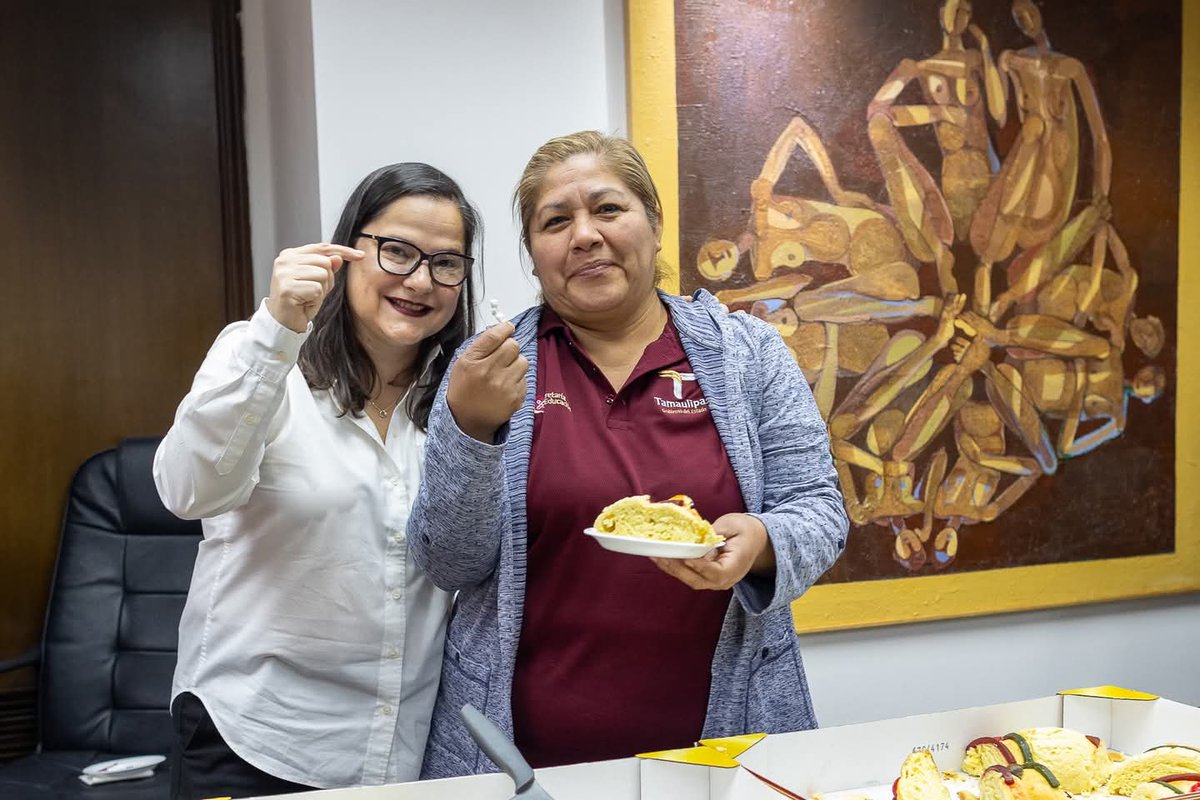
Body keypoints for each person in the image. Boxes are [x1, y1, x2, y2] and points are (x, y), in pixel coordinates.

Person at [408, 131, 849, 778]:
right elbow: (449, 562)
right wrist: (471, 428)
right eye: (555, 221)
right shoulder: (492, 370)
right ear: (533, 254)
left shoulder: (748, 355)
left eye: (608, 209)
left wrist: (760, 542)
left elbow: (819, 511)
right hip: (518, 768)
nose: (585, 235)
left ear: (656, 223)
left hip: (723, 753)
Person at [154, 163, 482, 798]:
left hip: (400, 752)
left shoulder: (463, 399)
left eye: (446, 263)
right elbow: (187, 491)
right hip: (255, 735)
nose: (421, 280)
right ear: (346, 252)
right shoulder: (257, 355)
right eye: (398, 251)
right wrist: (277, 333)